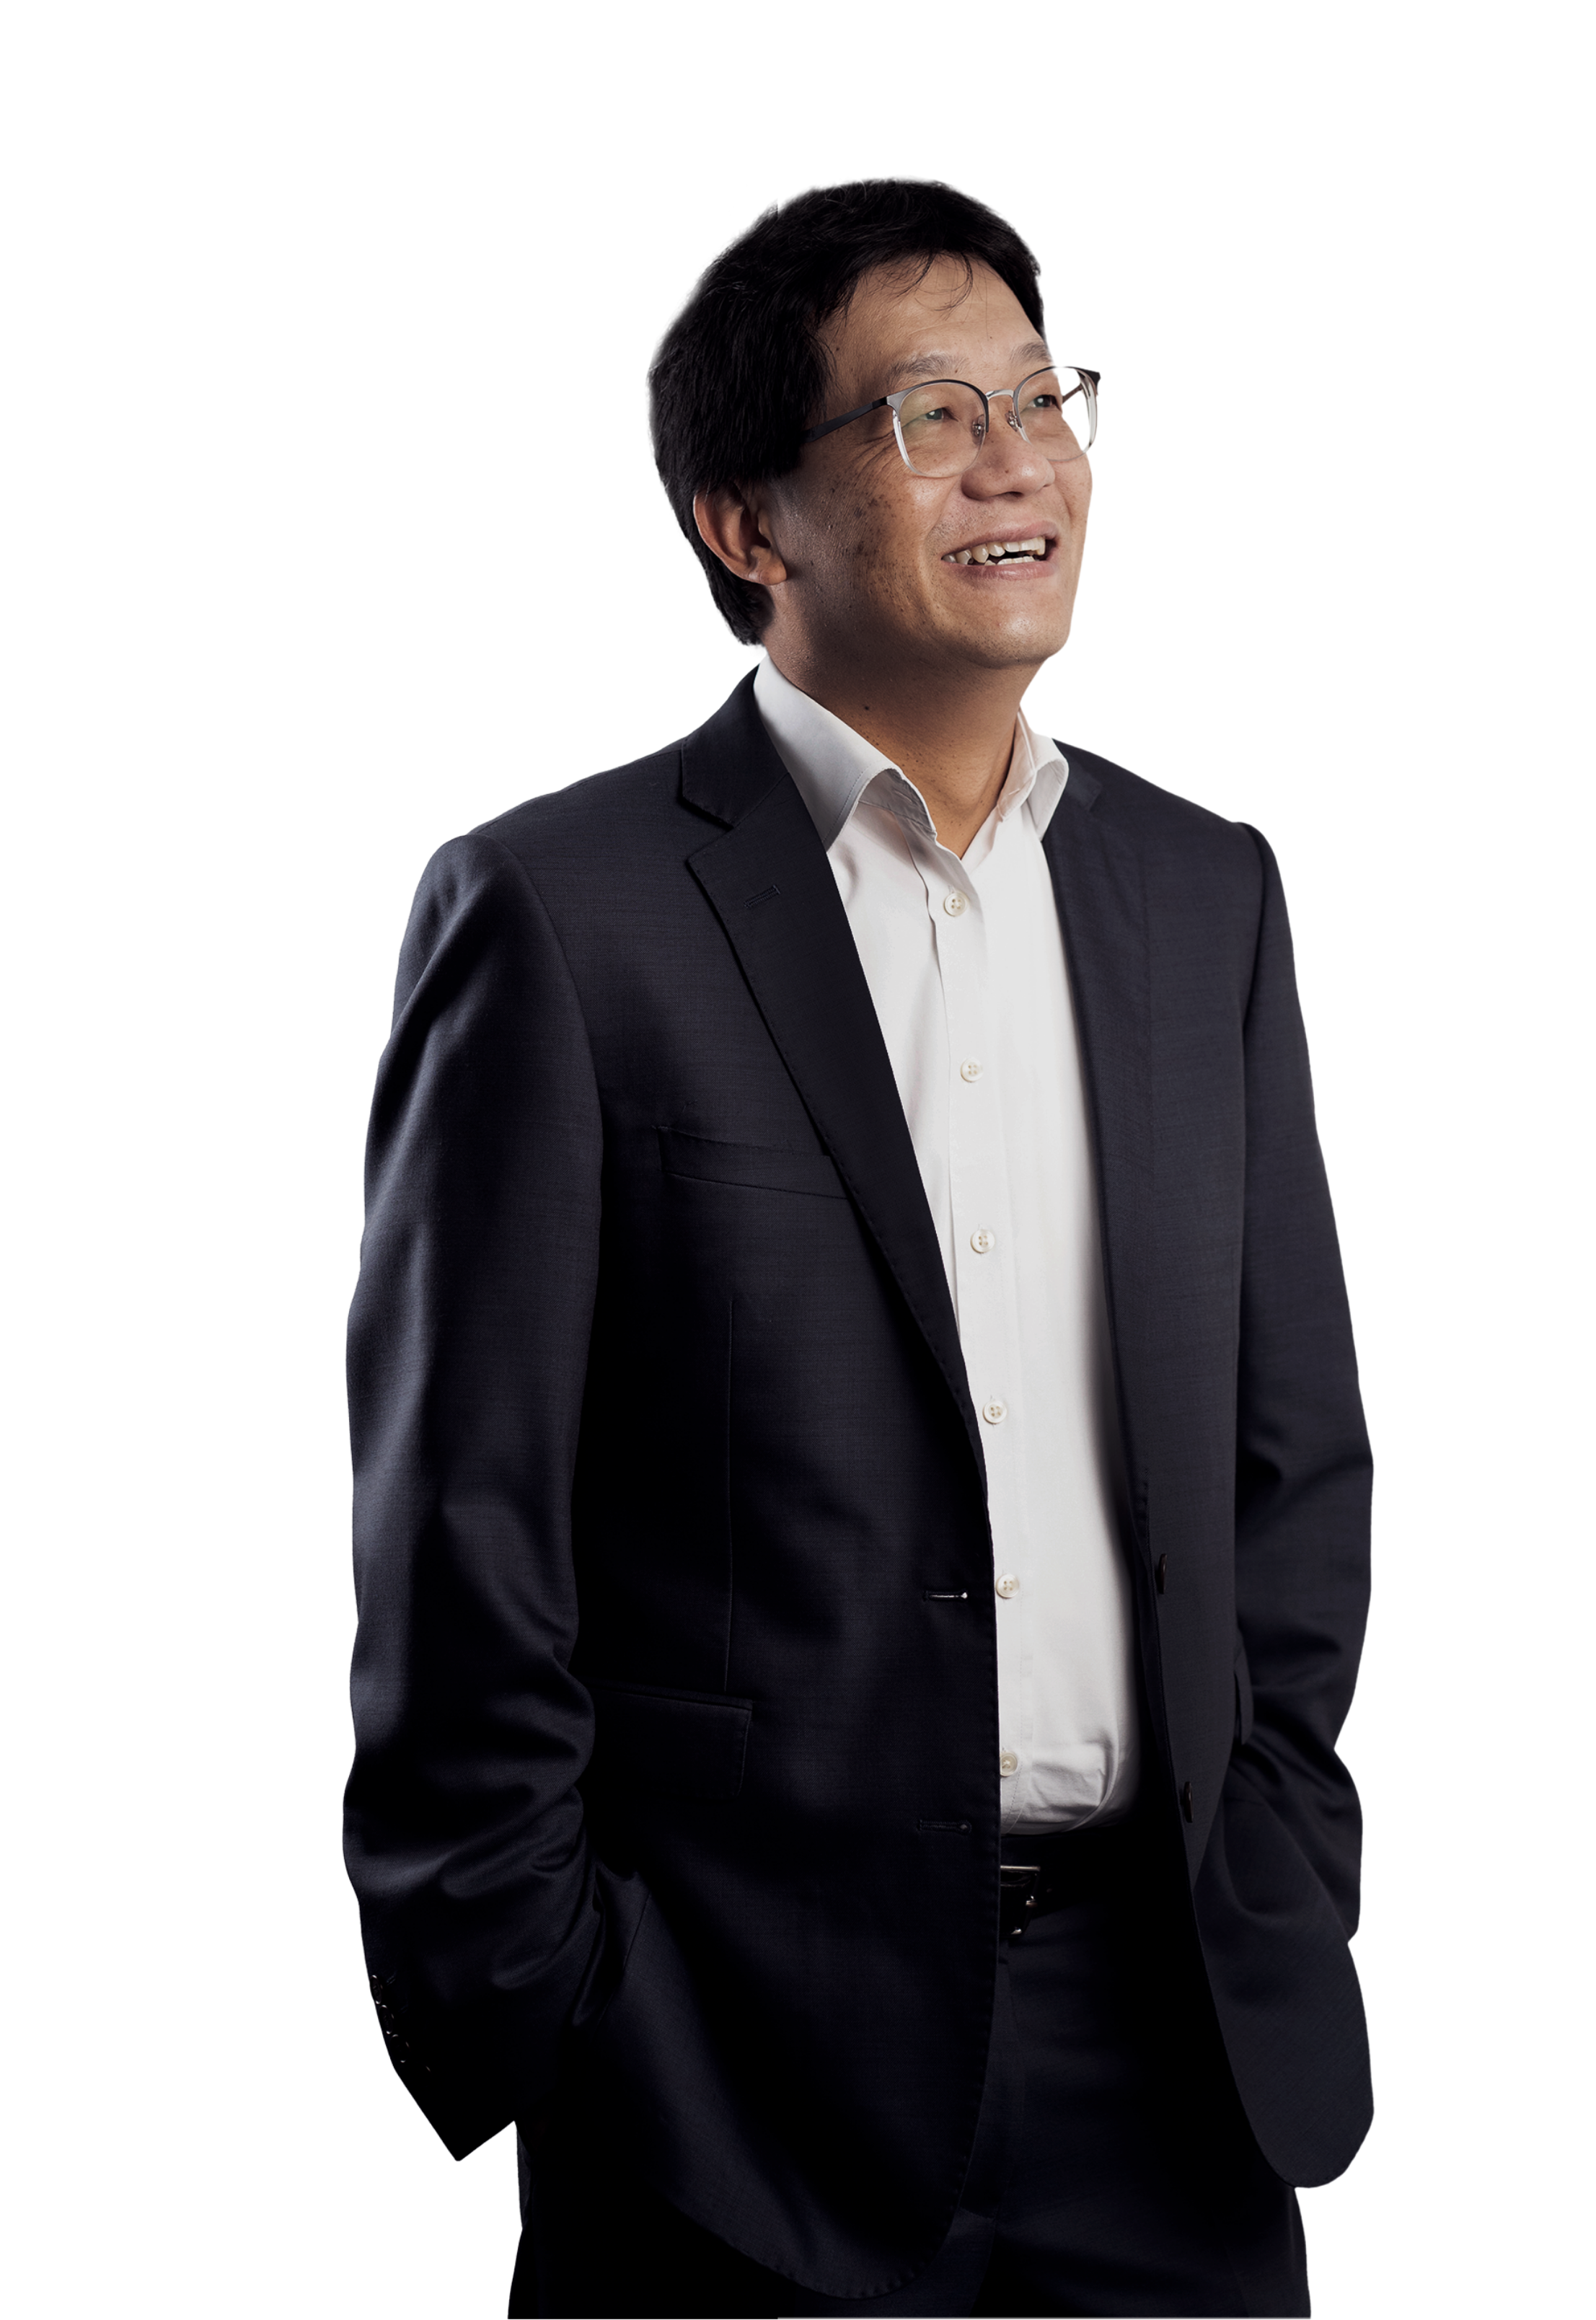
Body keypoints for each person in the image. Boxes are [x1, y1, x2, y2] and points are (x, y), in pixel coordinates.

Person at [343, 174, 1374, 2319]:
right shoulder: (566, 915)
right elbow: (463, 1526)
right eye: (931, 416)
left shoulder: (1205, 895)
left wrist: (1281, 1856)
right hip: (732, 2075)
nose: (1017, 463)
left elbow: (1289, 1466)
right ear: (748, 523)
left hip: (1172, 2058)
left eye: (1043, 400)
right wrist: (556, 2003)